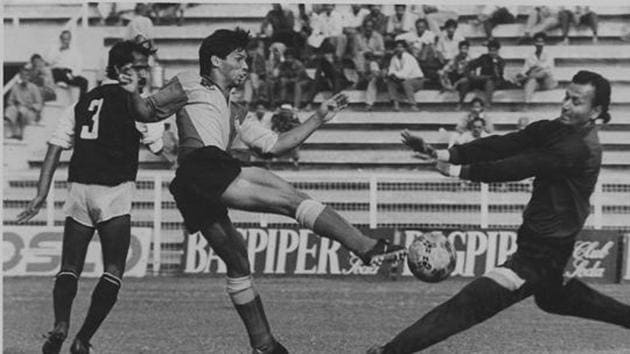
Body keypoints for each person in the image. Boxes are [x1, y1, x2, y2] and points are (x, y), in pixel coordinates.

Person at [118, 28, 406, 354]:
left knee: (239, 262)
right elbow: (144, 112)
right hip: (204, 164)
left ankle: (263, 344)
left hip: (191, 184)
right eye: (239, 59)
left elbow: (275, 145)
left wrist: (319, 117)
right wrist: (131, 92)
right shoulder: (189, 82)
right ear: (216, 60)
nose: (245, 67)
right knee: (291, 200)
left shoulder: (238, 110)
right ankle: (365, 246)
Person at [370, 71, 630, 354]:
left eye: (576, 102)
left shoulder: (579, 149)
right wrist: (446, 154)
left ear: (596, 111)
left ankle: (387, 352)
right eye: (566, 96)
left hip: (541, 255)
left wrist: (458, 171)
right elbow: (507, 144)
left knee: (469, 304)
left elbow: (518, 166)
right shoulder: (556, 130)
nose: (566, 105)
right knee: (552, 299)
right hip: (540, 245)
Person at [16, 41, 158, 354]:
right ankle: (82, 339)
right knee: (113, 269)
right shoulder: (136, 104)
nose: (145, 72)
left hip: (78, 190)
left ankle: (61, 324)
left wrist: (41, 193)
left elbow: (55, 145)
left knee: (69, 266)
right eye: (140, 66)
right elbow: (159, 144)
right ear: (123, 71)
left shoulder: (83, 102)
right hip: (114, 191)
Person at [457, 39, 510, 108]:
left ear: (497, 51)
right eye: (490, 50)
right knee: (466, 81)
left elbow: (496, 76)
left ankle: (487, 103)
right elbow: (472, 64)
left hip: (494, 82)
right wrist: (471, 72)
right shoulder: (484, 57)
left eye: (494, 50)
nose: (492, 52)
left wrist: (495, 63)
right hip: (482, 80)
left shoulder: (501, 61)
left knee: (489, 82)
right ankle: (460, 102)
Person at [514, 32, 557, 104]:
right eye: (537, 41)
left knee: (540, 72)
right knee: (531, 81)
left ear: (544, 43)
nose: (539, 44)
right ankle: (527, 103)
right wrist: (521, 75)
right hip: (537, 82)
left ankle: (525, 79)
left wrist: (530, 72)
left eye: (541, 42)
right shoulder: (530, 56)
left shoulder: (549, 54)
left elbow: (545, 70)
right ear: (534, 43)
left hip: (548, 81)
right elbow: (524, 70)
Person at [46, 30, 89, 100]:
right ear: (60, 39)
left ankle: (82, 103)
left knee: (84, 82)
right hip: (56, 72)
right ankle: (62, 82)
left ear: (70, 39)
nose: (65, 41)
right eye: (63, 39)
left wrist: (74, 75)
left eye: (67, 39)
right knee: (57, 72)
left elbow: (79, 65)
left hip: (69, 74)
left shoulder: (75, 51)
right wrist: (59, 51)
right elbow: (48, 61)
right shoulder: (54, 49)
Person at [4, 66, 43, 140]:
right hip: (18, 108)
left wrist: (30, 106)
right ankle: (13, 132)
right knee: (10, 110)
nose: (24, 77)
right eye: (22, 75)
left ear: (29, 77)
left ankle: (21, 134)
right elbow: (9, 101)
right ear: (20, 76)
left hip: (30, 111)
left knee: (22, 110)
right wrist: (15, 105)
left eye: (26, 75)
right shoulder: (15, 87)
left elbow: (39, 104)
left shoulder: (33, 87)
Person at [385, 40, 425, 112]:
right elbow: (391, 70)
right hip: (401, 80)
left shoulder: (408, 58)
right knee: (390, 81)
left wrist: (394, 74)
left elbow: (405, 74)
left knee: (406, 82)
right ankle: (395, 105)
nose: (398, 49)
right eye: (397, 47)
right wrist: (392, 75)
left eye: (401, 47)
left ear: (405, 49)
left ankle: (413, 105)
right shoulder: (394, 58)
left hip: (417, 81)